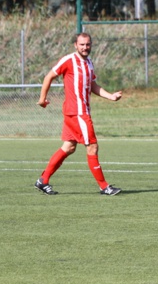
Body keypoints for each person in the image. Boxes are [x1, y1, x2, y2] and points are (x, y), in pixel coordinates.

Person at [34, 32, 122, 196]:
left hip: (78, 112)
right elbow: (49, 76)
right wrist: (42, 99)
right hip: (77, 113)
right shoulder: (69, 60)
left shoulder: (89, 63)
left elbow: (93, 85)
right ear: (75, 45)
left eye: (87, 44)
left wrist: (110, 96)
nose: (85, 47)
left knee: (68, 147)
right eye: (82, 44)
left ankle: (43, 180)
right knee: (92, 146)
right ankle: (104, 187)